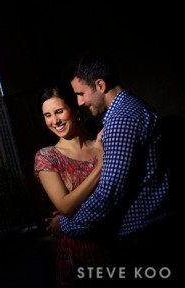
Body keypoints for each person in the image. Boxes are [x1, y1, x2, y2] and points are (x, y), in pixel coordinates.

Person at [46, 52, 179, 285]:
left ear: (100, 84)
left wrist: (64, 225)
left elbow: (108, 195)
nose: (79, 102)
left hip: (144, 237)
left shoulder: (121, 120)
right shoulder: (131, 108)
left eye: (80, 94)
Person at [34, 85, 108, 288]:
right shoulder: (47, 157)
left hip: (115, 242)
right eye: (47, 115)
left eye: (59, 111)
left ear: (74, 110)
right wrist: (101, 166)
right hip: (79, 255)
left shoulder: (101, 144)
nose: (54, 121)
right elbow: (65, 207)